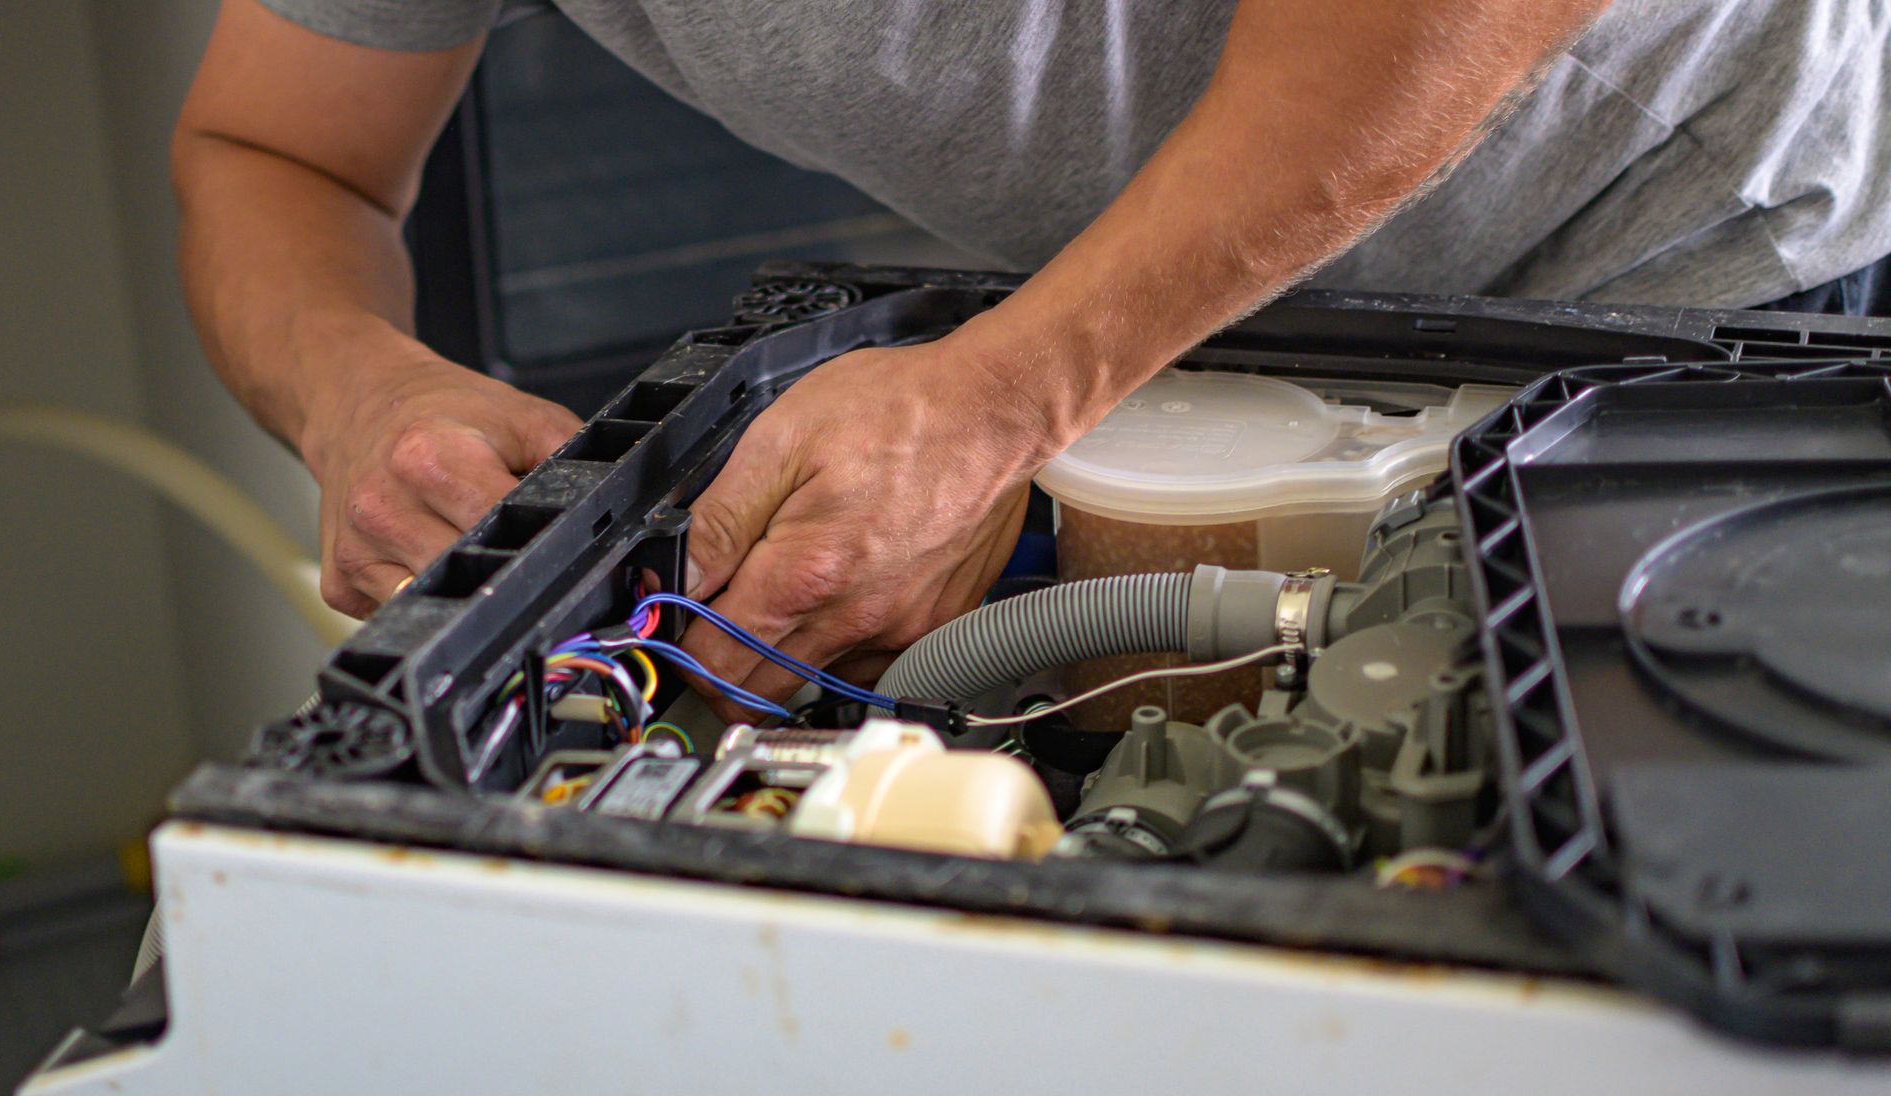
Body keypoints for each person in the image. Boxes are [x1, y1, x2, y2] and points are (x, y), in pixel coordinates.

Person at [174, 0, 1891, 717]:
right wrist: (361, 388)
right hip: (1138, 317)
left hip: (1698, 263)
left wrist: (1012, 388)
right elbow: (273, 155)